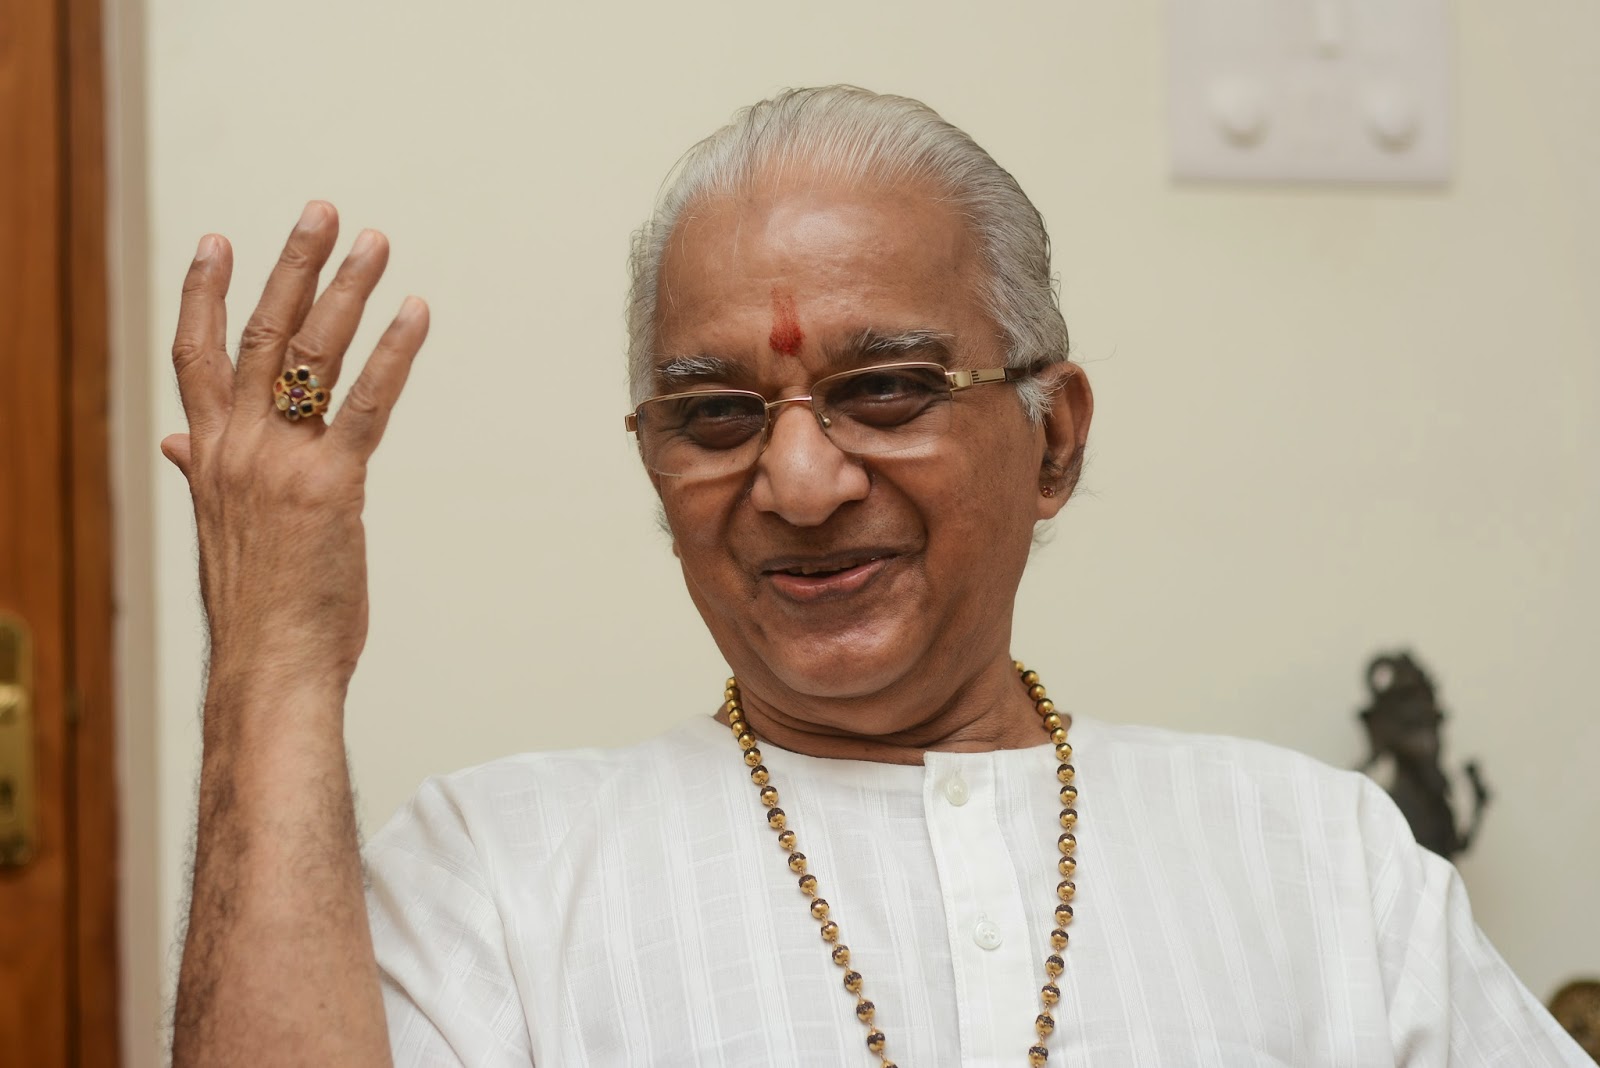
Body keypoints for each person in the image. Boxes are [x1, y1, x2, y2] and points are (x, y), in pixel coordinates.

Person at [165, 87, 1586, 1066]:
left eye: (888, 389)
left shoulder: (1318, 861)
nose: (798, 484)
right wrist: (277, 657)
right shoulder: (499, 873)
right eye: (714, 415)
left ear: (1054, 440)